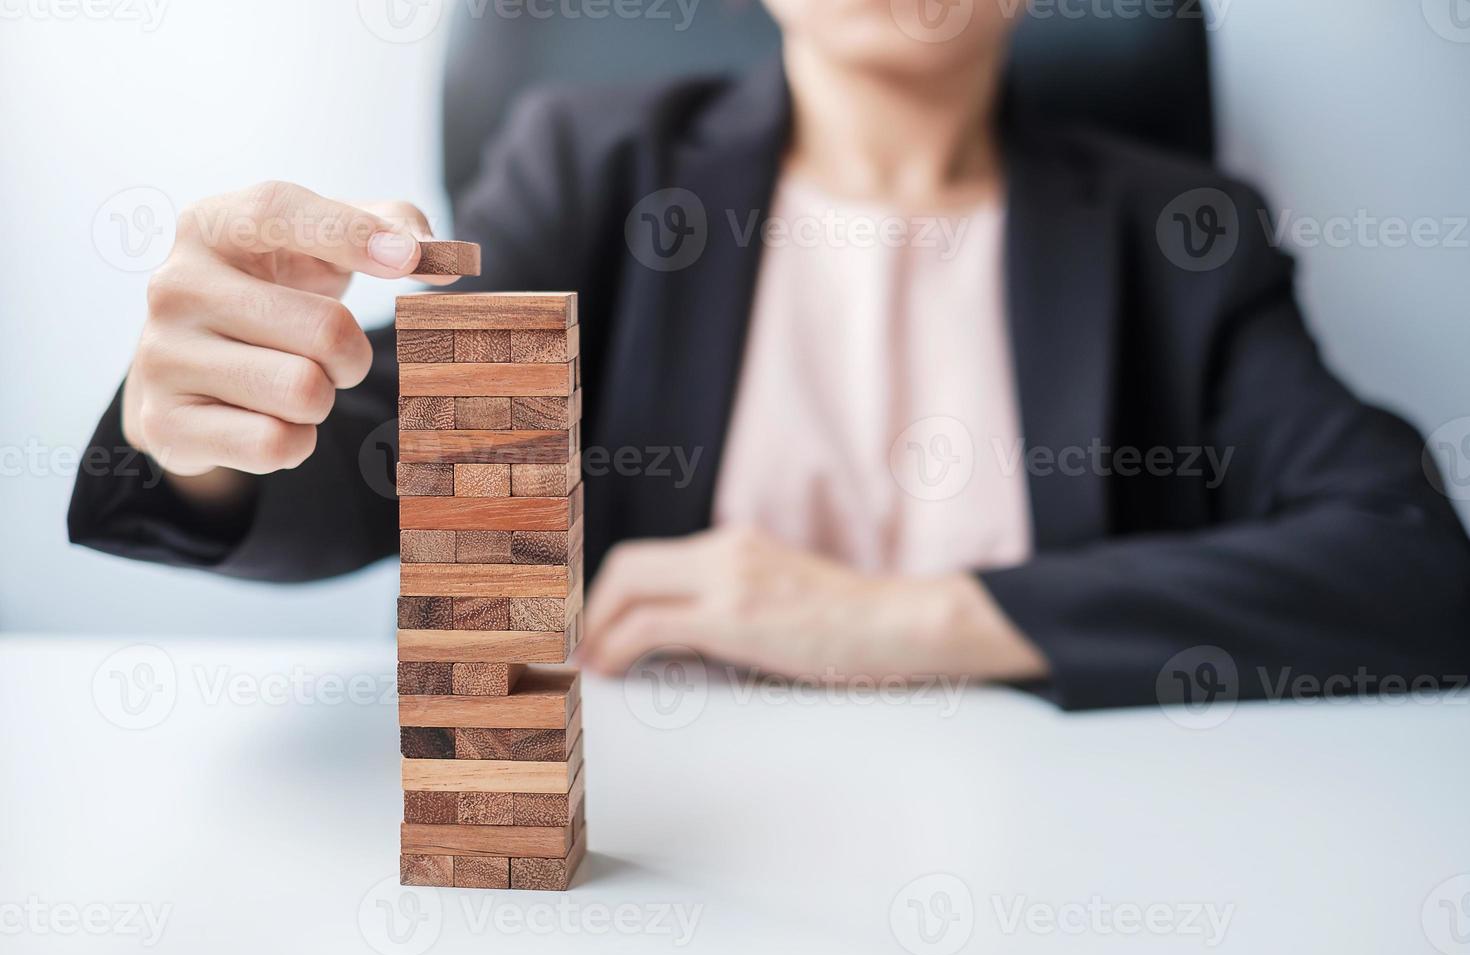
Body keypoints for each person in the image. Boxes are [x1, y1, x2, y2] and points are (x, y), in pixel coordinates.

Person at [68, 1, 1470, 710]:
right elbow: (390, 460)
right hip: (663, 866)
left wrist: (892, 619)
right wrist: (201, 443)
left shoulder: (1181, 235)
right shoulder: (596, 167)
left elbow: (1410, 565)